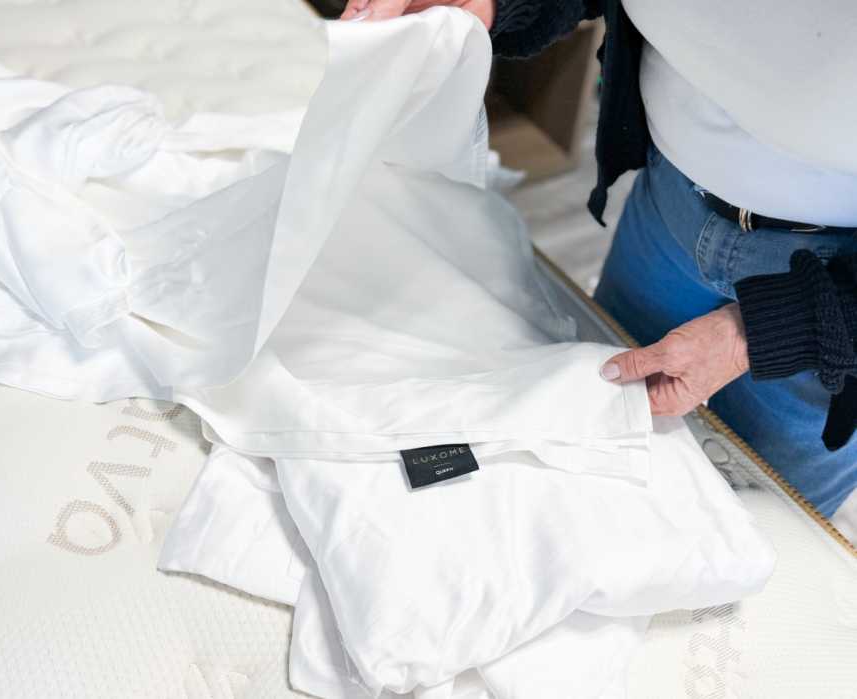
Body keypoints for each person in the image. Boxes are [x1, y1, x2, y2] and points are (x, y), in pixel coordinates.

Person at [339, 0, 857, 519]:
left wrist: (770, 332)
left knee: (761, 525)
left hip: (834, 311)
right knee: (590, 444)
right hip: (669, 202)